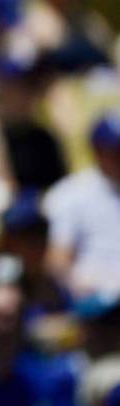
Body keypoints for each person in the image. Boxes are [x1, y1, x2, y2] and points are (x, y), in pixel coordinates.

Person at [44, 111, 120, 300]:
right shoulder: (71, 193)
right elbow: (57, 261)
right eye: (114, 151)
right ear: (96, 151)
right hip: (91, 298)